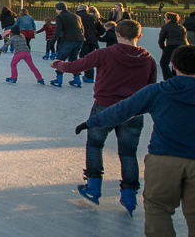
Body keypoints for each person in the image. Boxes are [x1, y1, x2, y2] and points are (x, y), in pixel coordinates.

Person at [77, 45, 195, 235]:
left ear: (172, 66)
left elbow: (123, 109)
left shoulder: (159, 91)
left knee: (158, 209)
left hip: (164, 160)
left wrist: (92, 122)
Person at [56, 19, 157, 217]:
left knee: (95, 145)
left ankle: (93, 187)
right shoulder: (148, 59)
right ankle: (129, 195)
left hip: (105, 107)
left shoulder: (105, 53)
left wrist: (58, 64)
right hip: (133, 111)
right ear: (139, 35)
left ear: (117, 34)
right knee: (128, 154)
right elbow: (150, 88)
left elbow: (77, 65)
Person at [50, 2, 86, 87]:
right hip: (80, 40)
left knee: (60, 59)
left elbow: (58, 30)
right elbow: (82, 29)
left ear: (58, 9)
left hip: (69, 40)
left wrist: (52, 42)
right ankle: (77, 80)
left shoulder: (60, 16)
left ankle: (59, 79)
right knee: (73, 60)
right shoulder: (76, 16)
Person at [158, 12, 187, 80]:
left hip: (171, 45)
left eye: (165, 18)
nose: (164, 20)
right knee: (176, 63)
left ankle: (168, 79)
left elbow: (161, 38)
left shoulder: (166, 26)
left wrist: (163, 48)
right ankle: (175, 78)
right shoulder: (181, 27)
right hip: (183, 46)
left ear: (169, 19)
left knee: (164, 63)